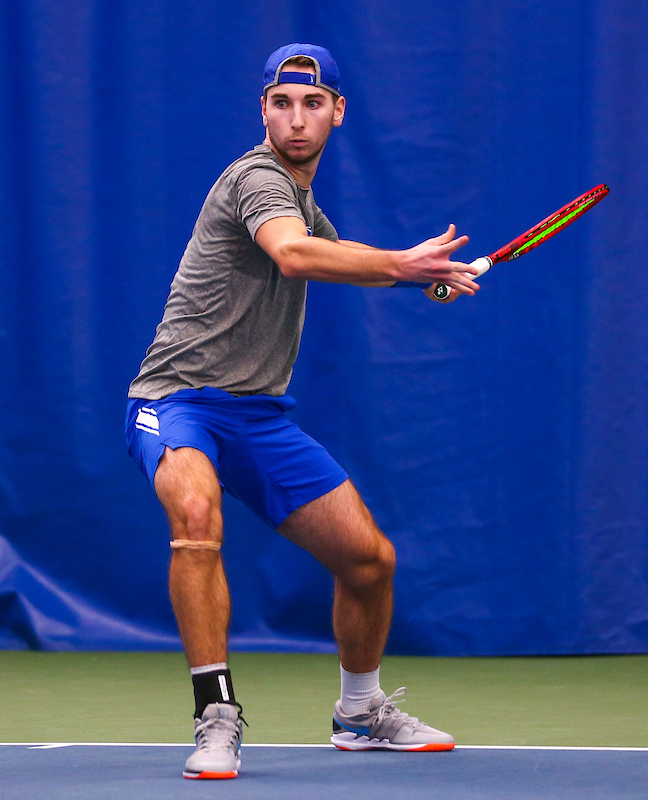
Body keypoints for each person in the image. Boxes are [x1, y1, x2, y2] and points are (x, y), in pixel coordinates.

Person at [124, 43, 479, 780]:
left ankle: (359, 712)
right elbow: (294, 254)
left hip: (254, 415)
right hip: (176, 400)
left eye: (312, 104)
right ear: (263, 110)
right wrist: (404, 265)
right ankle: (216, 717)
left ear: (337, 112)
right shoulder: (256, 178)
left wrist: (423, 278)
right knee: (195, 514)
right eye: (281, 103)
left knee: (369, 561)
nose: (296, 119)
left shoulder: (302, 198)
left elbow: (331, 247)